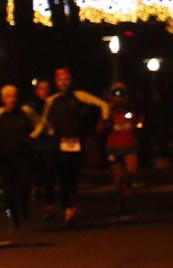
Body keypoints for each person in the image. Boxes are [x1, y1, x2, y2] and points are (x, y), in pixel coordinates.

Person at [31, 67, 109, 225]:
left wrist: (104, 120)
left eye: (66, 79)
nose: (63, 83)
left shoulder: (79, 96)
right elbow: (44, 121)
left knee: (71, 177)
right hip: (59, 144)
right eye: (60, 80)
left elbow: (103, 105)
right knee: (61, 177)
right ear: (56, 82)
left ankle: (70, 204)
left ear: (71, 81)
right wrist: (32, 136)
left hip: (76, 144)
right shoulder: (51, 100)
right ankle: (69, 207)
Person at [0, 84, 37, 232]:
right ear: (3, 99)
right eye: (8, 97)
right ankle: (14, 217)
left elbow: (39, 124)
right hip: (5, 159)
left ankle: (23, 207)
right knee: (8, 190)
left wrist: (33, 137)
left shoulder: (26, 112)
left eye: (14, 96)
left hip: (23, 157)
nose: (12, 99)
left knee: (24, 187)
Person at [103, 82, 140, 214]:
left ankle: (128, 184)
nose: (118, 97)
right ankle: (120, 203)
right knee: (117, 178)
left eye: (121, 94)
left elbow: (139, 122)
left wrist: (136, 122)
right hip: (113, 147)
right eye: (115, 94)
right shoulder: (107, 110)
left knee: (131, 171)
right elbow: (99, 129)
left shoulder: (131, 109)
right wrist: (106, 123)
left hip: (129, 145)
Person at [29, 78, 59, 217]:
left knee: (49, 175)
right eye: (41, 88)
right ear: (36, 91)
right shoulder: (31, 105)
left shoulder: (54, 103)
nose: (44, 91)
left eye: (47, 88)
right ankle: (36, 188)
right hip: (35, 144)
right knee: (36, 173)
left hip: (50, 144)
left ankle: (49, 204)